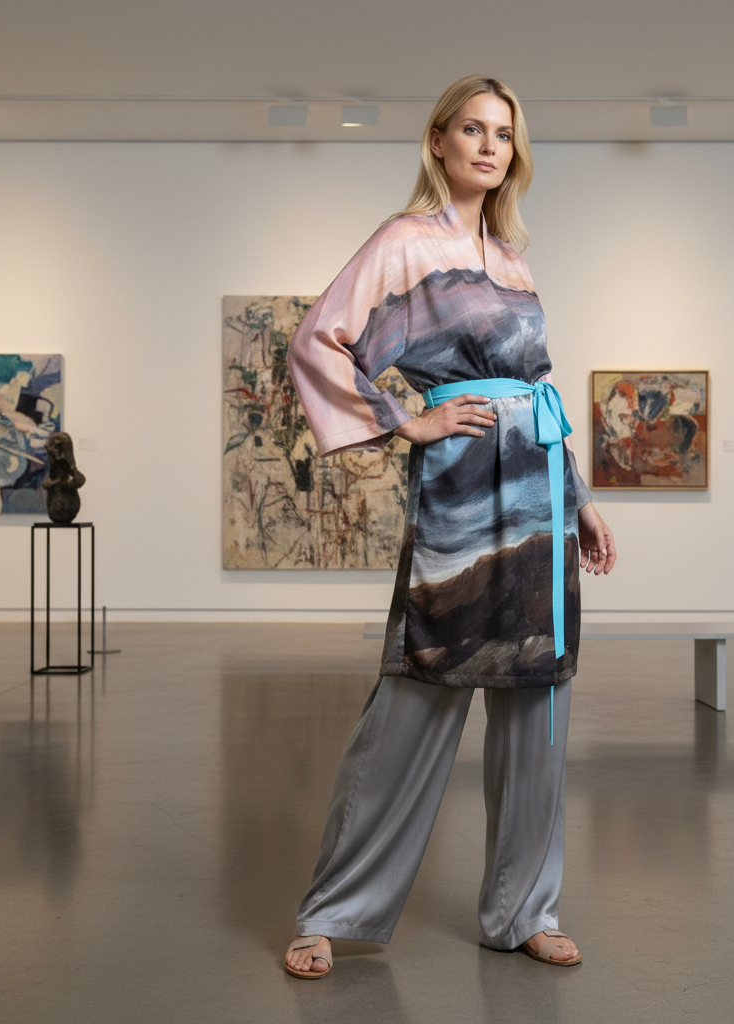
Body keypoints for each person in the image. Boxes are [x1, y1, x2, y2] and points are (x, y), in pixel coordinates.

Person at [284, 74, 617, 979]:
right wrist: (408, 420)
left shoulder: (512, 257)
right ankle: (333, 910)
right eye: (471, 128)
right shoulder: (402, 244)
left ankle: (524, 910)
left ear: (515, 152)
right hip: (466, 494)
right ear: (437, 141)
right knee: (415, 697)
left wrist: (581, 498)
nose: (487, 145)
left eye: (502, 133)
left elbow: (539, 391)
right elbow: (320, 339)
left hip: (541, 500)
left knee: (536, 713)